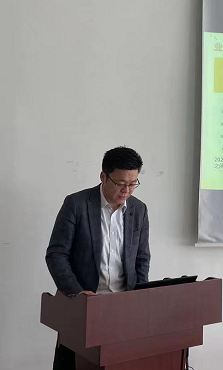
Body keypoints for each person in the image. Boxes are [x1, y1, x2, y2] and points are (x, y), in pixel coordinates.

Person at [46, 146, 150, 369]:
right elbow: (56, 254)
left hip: (123, 307)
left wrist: (141, 297)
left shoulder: (139, 210)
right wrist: (77, 293)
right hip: (84, 305)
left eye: (133, 184)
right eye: (121, 183)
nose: (127, 191)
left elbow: (142, 258)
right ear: (103, 176)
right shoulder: (77, 204)